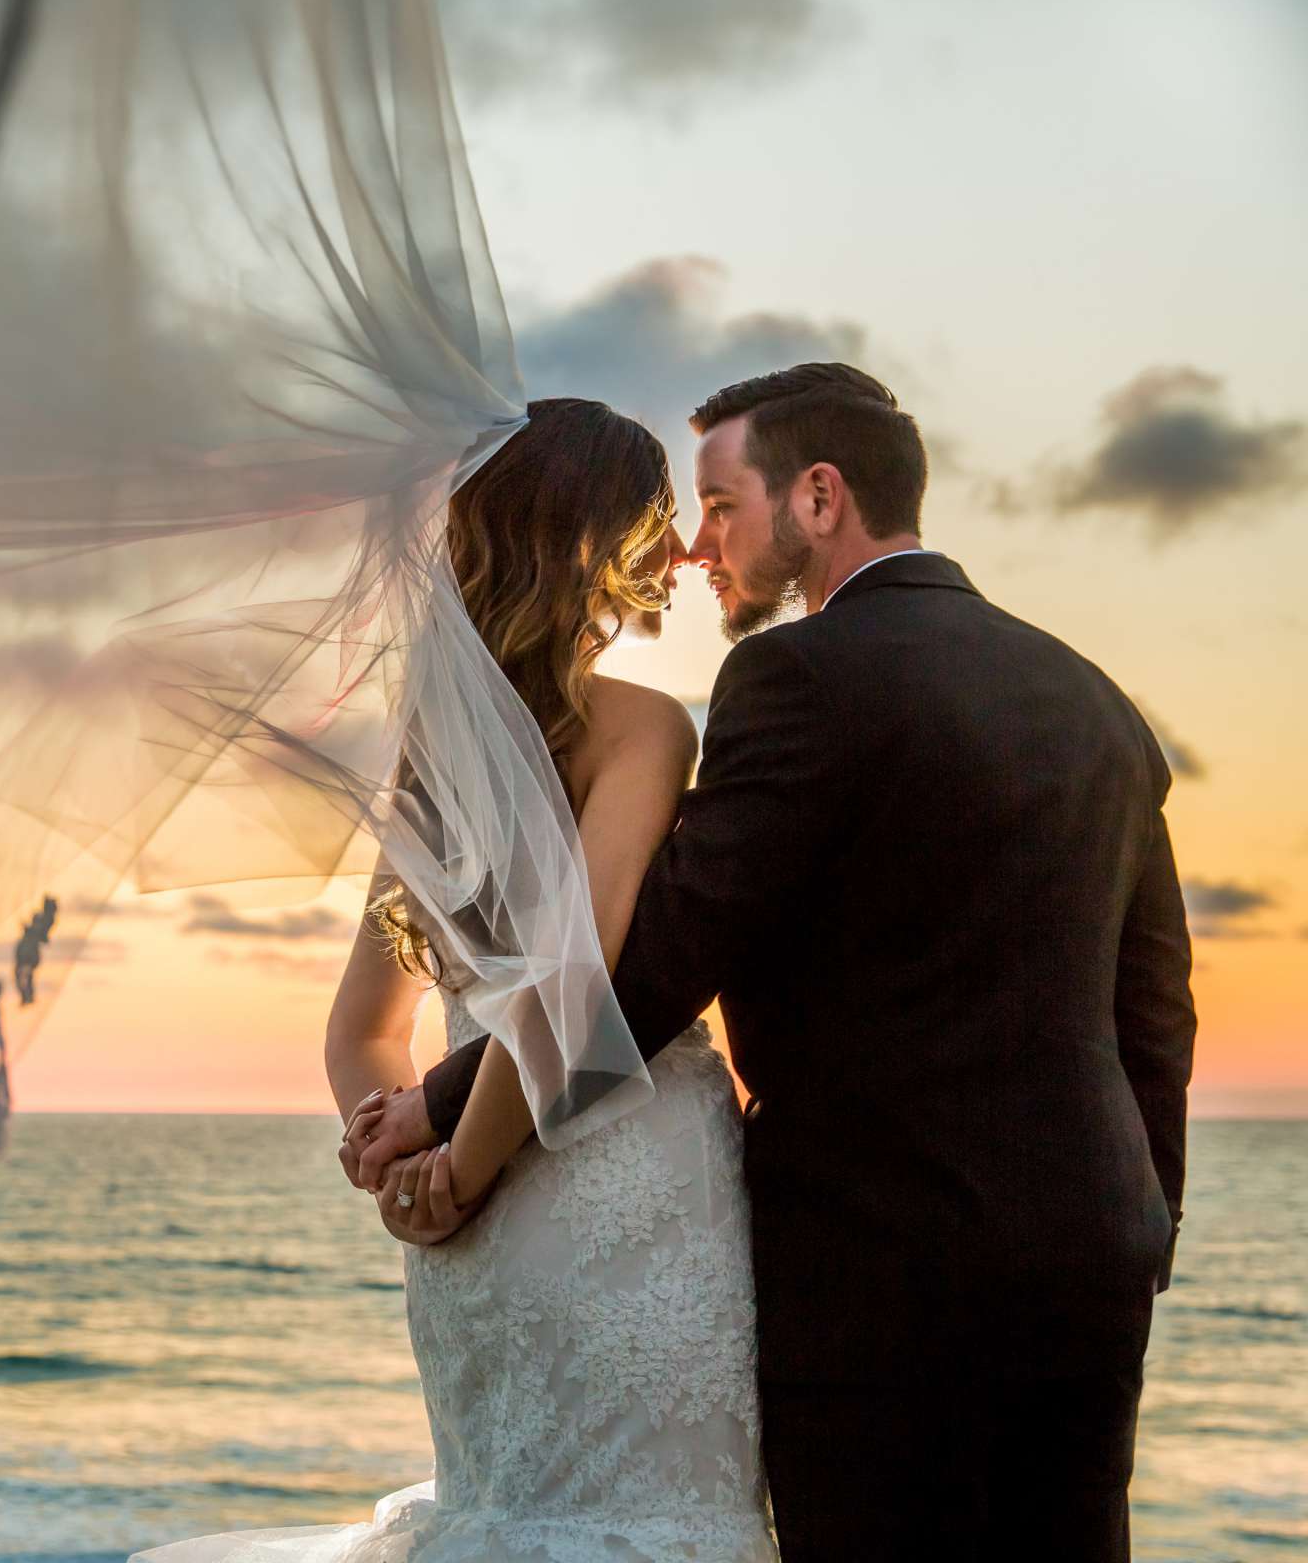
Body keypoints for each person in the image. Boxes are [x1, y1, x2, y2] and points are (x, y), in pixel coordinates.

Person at [350, 363, 1196, 1561]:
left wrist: (442, 1108)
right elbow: (1155, 1008)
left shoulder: (798, 675)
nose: (700, 548)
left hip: (873, 1272)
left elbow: (663, 956)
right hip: (1089, 1263)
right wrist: (1145, 1213)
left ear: (818, 497)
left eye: (721, 505)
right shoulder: (1098, 703)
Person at [134, 395, 780, 1562]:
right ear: (597, 542)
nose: (678, 552)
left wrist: (401, 1173)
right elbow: (576, 989)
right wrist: (465, 1169)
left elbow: (359, 1035)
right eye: (655, 523)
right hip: (608, 1191)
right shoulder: (641, 727)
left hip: (474, 1248)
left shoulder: (434, 762)